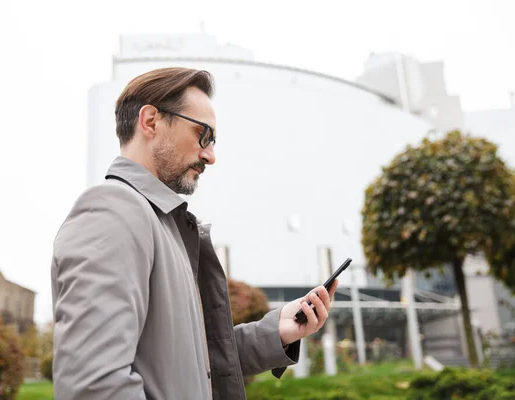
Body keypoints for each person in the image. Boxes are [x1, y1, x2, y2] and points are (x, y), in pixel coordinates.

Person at [51, 67, 339, 400]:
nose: (210, 155)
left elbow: (190, 366)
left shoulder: (161, 225)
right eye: (203, 135)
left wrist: (274, 332)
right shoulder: (111, 211)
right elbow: (93, 387)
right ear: (151, 121)